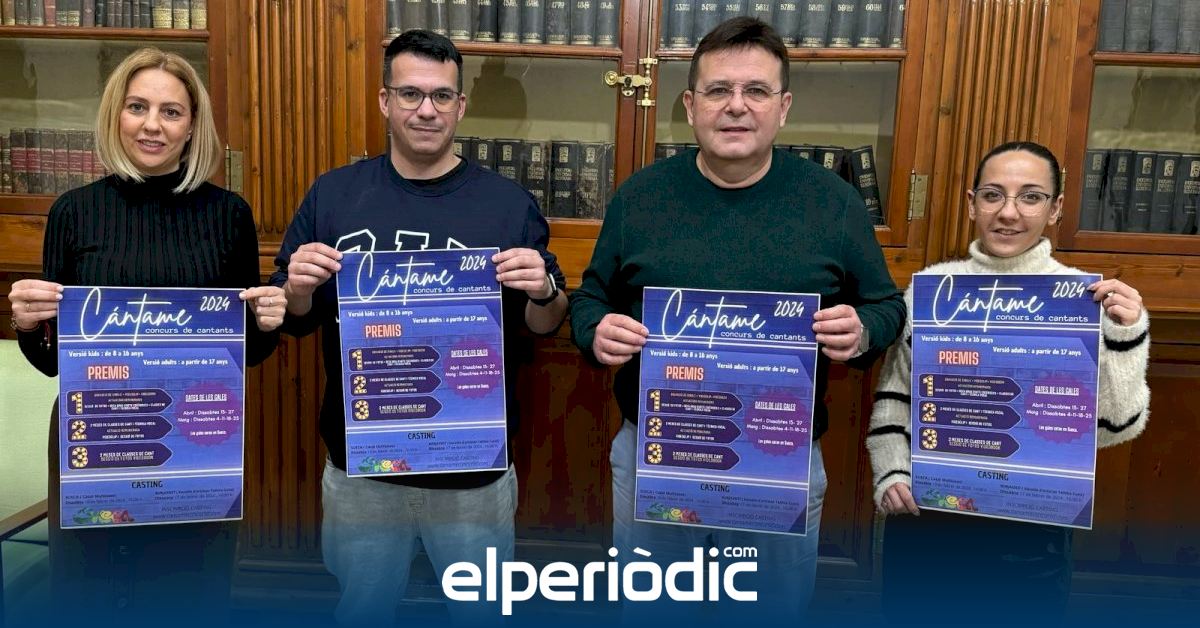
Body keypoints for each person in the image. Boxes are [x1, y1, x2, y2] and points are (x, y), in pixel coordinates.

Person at [568, 16, 906, 620]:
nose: (736, 106)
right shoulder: (640, 197)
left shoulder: (833, 202)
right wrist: (596, 331)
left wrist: (861, 333)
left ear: (783, 107)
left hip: (780, 454)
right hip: (657, 453)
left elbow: (885, 307)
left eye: (756, 91)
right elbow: (591, 298)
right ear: (690, 105)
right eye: (719, 90)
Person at [269, 30, 567, 625]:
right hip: (363, 466)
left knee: (481, 611)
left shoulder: (508, 204)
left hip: (471, 469)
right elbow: (294, 319)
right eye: (410, 94)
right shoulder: (333, 194)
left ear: (460, 105)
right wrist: (296, 289)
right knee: (362, 609)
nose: (426, 109)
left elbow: (544, 324)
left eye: (441, 96)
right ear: (385, 101)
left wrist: (544, 290)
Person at [5, 47, 284, 621]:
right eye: (138, 107)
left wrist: (267, 320)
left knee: (192, 596)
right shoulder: (73, 211)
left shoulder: (229, 214)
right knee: (88, 598)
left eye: (171, 111)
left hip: (198, 439)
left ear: (193, 126)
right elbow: (53, 361)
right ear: (116, 114)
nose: (152, 124)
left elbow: (248, 352)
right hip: (93, 435)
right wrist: (27, 323)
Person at [867, 141, 1150, 623]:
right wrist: (892, 473)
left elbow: (1115, 427)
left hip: (1032, 533)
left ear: (1056, 209)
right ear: (971, 202)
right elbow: (897, 397)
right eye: (993, 194)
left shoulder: (1085, 301)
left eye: (1031, 196)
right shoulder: (931, 290)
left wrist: (1126, 335)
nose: (1009, 212)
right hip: (928, 521)